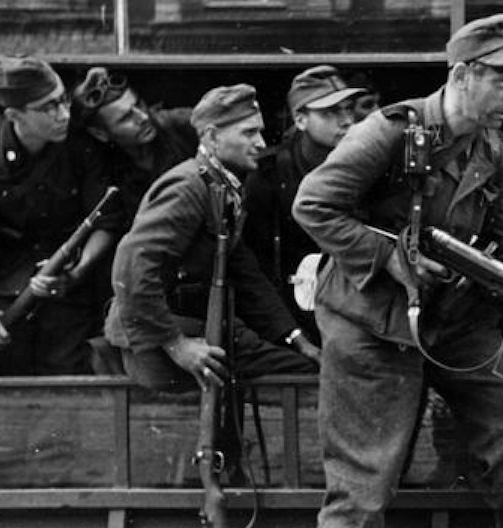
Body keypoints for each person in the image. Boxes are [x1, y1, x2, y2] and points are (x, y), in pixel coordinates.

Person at [294, 14, 503, 528]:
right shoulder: (387, 132)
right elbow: (314, 206)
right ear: (462, 75)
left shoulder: (495, 151)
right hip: (367, 314)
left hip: (452, 314)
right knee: (364, 452)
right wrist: (389, 256)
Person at [104, 83, 319, 395]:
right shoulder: (188, 187)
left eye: (259, 132)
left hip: (185, 329)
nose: (260, 143)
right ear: (213, 137)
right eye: (248, 133)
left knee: (299, 362)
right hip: (157, 343)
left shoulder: (221, 187)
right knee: (302, 374)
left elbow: (246, 275)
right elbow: (131, 269)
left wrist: (296, 338)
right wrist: (176, 344)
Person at [0, 54, 119, 376]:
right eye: (48, 107)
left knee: (69, 383)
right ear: (14, 115)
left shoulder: (79, 147)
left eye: (64, 101)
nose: (63, 114)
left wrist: (76, 273)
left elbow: (105, 222)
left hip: (64, 291)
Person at [243, 65, 367, 343]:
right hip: (295, 312)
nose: (346, 120)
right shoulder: (269, 175)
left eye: (348, 109)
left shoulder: (369, 162)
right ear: (300, 120)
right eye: (330, 112)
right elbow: (255, 266)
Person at [71, 67, 199, 225]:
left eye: (138, 104)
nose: (143, 117)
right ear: (100, 134)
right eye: (126, 118)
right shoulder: (104, 165)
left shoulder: (180, 125)